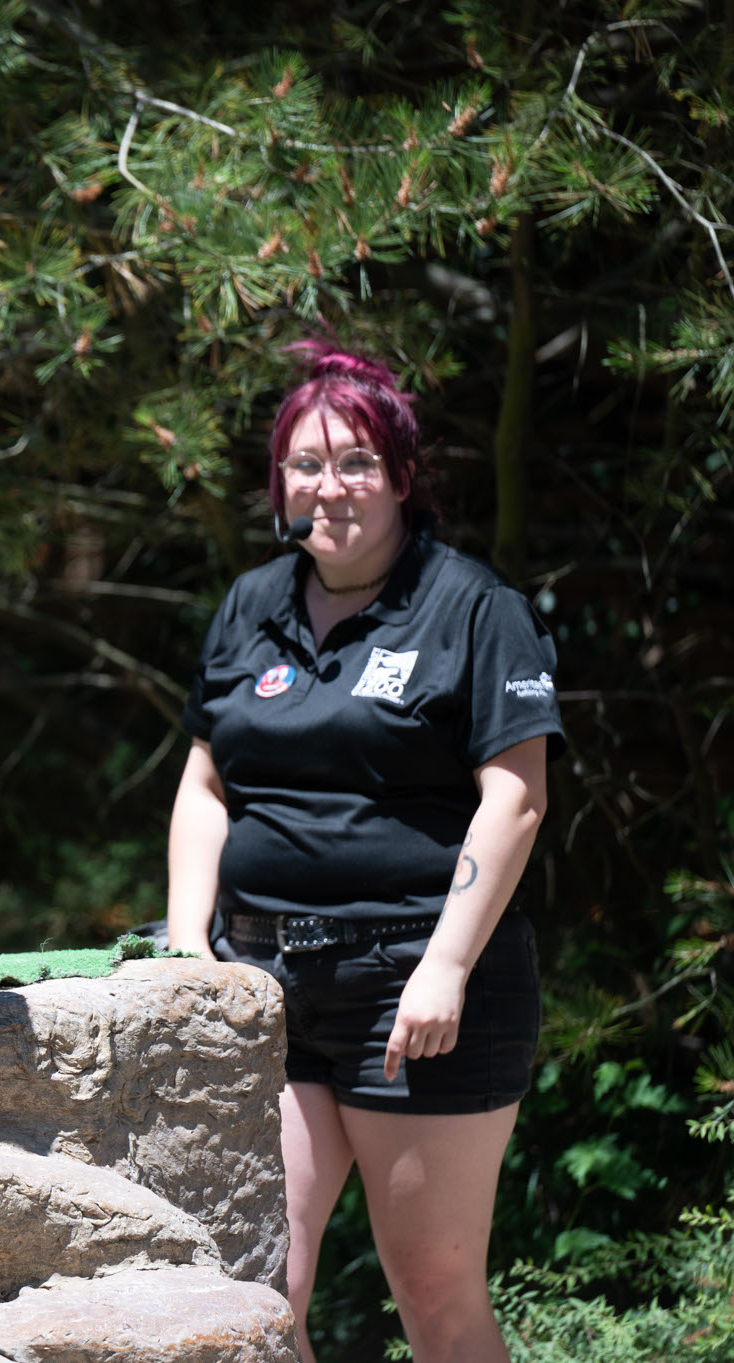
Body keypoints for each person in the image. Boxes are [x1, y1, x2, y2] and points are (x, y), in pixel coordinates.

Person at [166, 345, 563, 1363]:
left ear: (400, 477)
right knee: (252, 1294)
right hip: (258, 987)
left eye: (355, 462)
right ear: (278, 484)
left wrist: (444, 964)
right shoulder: (250, 604)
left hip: (412, 989)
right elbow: (205, 784)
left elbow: (515, 799)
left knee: (433, 1296)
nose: (328, 487)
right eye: (305, 464)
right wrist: (186, 942)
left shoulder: (472, 608)